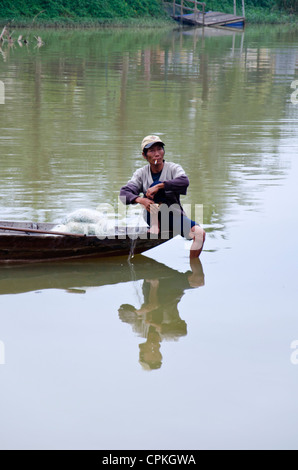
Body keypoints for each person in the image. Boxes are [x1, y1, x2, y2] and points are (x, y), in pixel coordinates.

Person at [119, 135, 205, 258]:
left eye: (159, 149)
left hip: (172, 215)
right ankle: (155, 225)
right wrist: (141, 200)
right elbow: (124, 193)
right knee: (153, 185)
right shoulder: (141, 173)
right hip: (151, 216)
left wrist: (160, 186)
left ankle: (194, 269)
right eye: (152, 151)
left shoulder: (173, 168)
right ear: (144, 155)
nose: (157, 154)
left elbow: (184, 181)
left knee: (200, 234)